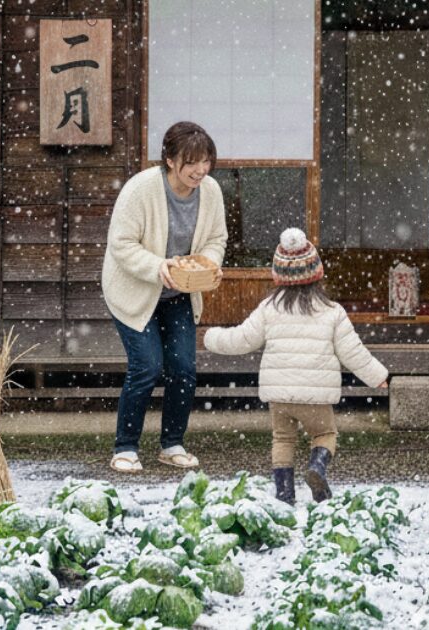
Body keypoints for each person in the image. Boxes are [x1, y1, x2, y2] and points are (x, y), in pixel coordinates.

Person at [204, 228, 388, 504]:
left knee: (282, 439)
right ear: (317, 274)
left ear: (278, 275)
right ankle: (317, 466)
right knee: (325, 433)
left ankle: (284, 493)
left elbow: (241, 339)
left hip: (279, 394)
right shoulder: (331, 311)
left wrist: (210, 337)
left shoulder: (269, 308)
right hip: (315, 396)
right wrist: (378, 376)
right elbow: (354, 353)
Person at [102, 121, 228, 473]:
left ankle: (172, 444)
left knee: (184, 369)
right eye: (192, 163)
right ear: (170, 160)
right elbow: (121, 244)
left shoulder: (211, 191)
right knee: (147, 367)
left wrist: (210, 263)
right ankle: (124, 448)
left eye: (206, 162)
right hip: (134, 291)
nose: (200, 171)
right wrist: (158, 265)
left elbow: (216, 239)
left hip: (179, 291)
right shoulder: (140, 189)